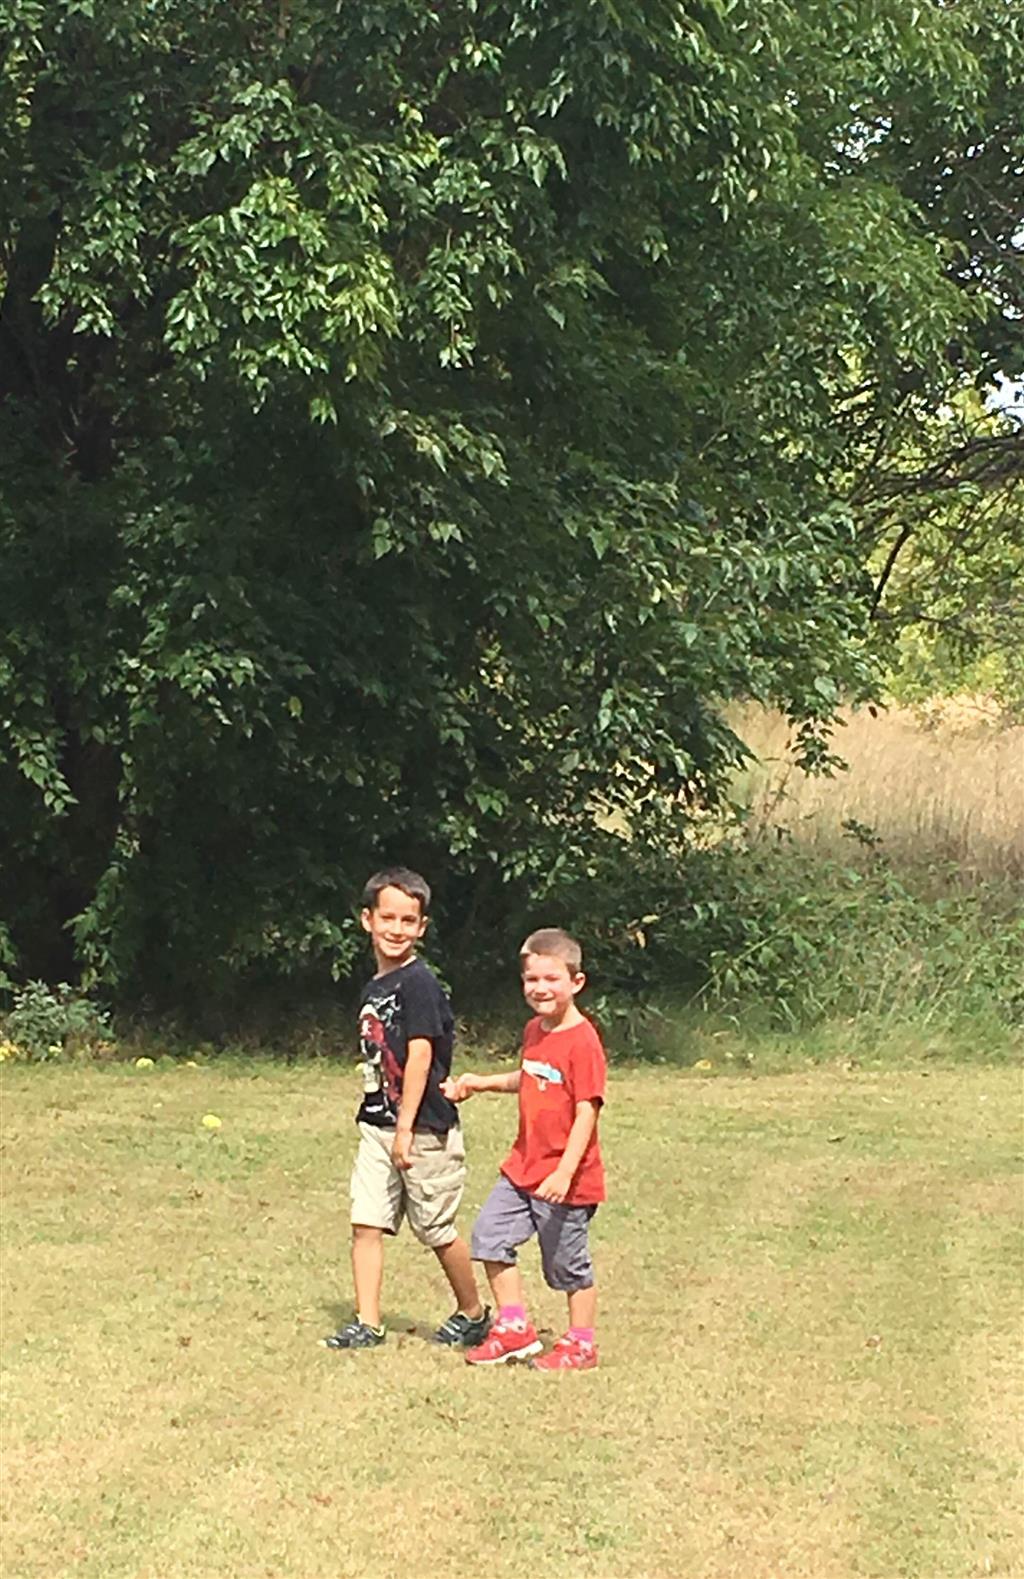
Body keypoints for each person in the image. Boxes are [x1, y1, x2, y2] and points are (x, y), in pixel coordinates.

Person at [323, 867, 490, 1351]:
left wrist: (405, 1129)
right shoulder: (376, 985)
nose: (396, 929)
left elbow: (420, 1057)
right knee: (366, 1222)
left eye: (408, 920)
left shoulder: (419, 984)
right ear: (367, 920)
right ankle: (368, 1322)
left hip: (422, 1130)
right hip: (377, 1124)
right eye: (388, 918)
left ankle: (474, 1312)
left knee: (434, 1227)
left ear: (422, 927)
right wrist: (386, 1123)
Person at [442, 926, 606, 1372]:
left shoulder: (584, 1041)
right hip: (523, 1168)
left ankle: (581, 1344)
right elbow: (532, 1076)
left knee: (567, 1266)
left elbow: (587, 1110)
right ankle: (514, 1328)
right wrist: (480, 1083)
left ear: (576, 982)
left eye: (552, 978)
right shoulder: (535, 1030)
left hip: (564, 1180)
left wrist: (565, 1172)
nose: (540, 988)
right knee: (489, 1236)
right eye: (532, 979)